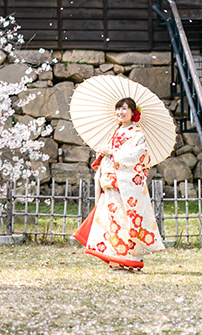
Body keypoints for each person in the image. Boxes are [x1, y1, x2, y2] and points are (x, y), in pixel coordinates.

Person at [75, 97, 164, 272]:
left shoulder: (137, 134)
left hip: (125, 186)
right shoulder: (113, 133)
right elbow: (108, 156)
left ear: (133, 112)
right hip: (109, 183)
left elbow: (139, 156)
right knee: (110, 223)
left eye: (124, 109)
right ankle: (115, 260)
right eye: (118, 109)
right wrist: (103, 154)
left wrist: (113, 152)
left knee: (125, 222)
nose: (120, 112)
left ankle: (128, 260)